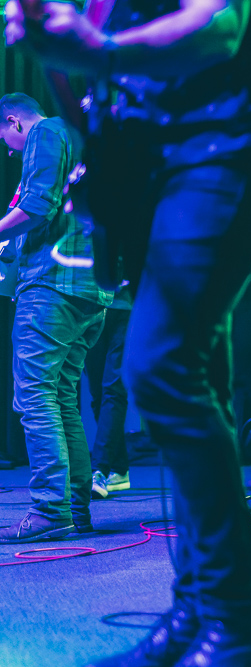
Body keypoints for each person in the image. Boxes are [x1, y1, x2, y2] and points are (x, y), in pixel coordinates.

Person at [6, 0, 251, 665]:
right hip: (168, 164)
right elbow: (101, 84)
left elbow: (219, 27)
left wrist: (95, 50)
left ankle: (242, 618)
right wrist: (60, 56)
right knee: (198, 377)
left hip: (228, 147)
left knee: (159, 364)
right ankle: (203, 603)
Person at [0, 92, 113, 543]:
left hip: (51, 289)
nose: (9, 150)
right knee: (63, 398)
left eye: (6, 139)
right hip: (91, 290)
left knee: (36, 397)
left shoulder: (45, 132)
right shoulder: (82, 137)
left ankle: (50, 510)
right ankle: (74, 510)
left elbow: (36, 208)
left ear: (13, 120)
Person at [87, 279, 132, 499]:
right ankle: (120, 468)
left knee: (114, 390)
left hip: (127, 306)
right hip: (91, 304)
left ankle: (99, 470)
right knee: (97, 395)